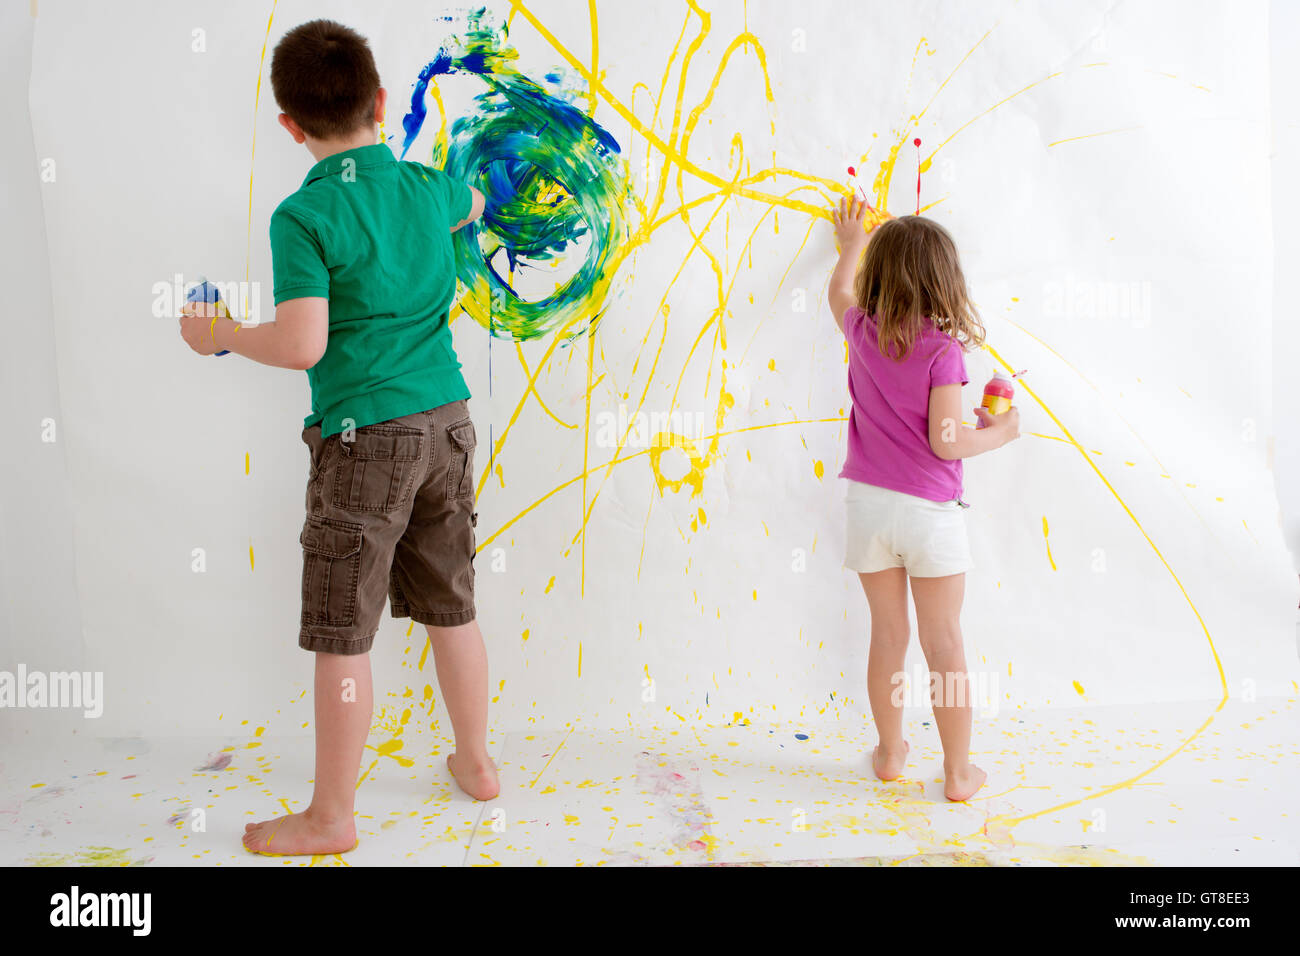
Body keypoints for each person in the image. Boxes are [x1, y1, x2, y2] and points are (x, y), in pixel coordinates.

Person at [178, 19, 494, 854]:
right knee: (451, 609)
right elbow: (477, 202)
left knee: (343, 635)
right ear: (382, 103)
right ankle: (477, 761)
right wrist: (440, 208)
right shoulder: (428, 190)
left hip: (365, 446)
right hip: (450, 425)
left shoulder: (305, 215)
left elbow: (303, 344)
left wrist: (223, 335)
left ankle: (331, 816)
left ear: (291, 125)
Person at [826, 199, 1021, 801]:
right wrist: (1000, 431)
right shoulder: (943, 352)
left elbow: (838, 292)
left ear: (880, 276)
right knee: (945, 644)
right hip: (929, 517)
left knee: (888, 635)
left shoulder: (861, 329)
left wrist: (851, 242)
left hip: (867, 509)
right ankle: (959, 773)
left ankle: (889, 754)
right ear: (944, 281)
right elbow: (945, 442)